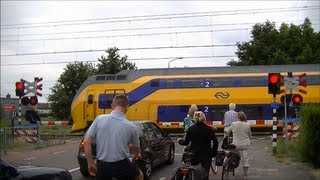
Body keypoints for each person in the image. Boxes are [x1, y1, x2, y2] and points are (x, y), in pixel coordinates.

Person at [83, 94, 143, 180]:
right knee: (140, 176)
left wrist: (90, 163)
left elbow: (86, 142)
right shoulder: (132, 127)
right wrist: (136, 155)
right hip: (122, 165)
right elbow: (137, 149)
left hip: (102, 166)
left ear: (112, 105)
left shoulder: (99, 119)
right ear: (127, 107)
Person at [179, 111, 219, 179]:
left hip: (194, 154)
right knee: (205, 174)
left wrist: (179, 141)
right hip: (206, 155)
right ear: (204, 118)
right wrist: (213, 153)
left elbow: (186, 142)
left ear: (195, 118)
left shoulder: (191, 129)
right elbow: (216, 142)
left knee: (193, 172)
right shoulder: (209, 129)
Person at [226, 111, 252, 180]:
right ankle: (245, 175)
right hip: (245, 144)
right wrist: (248, 139)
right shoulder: (247, 124)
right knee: (245, 159)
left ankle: (231, 166)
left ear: (238, 117)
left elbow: (227, 132)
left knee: (232, 154)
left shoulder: (233, 124)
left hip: (236, 145)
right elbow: (250, 135)